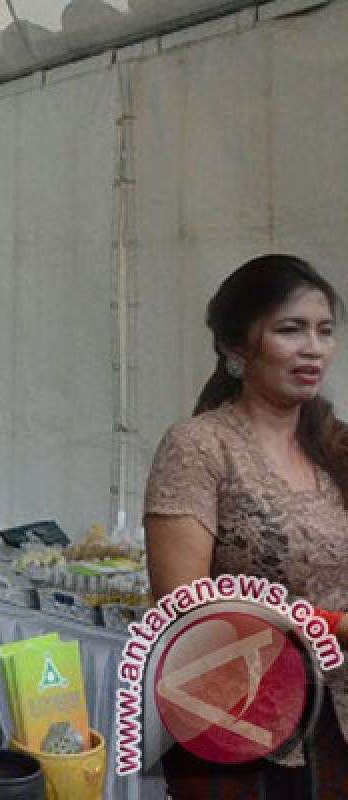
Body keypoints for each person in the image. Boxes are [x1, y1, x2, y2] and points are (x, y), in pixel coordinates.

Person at [144, 254, 348, 797]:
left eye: (324, 331)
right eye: (290, 329)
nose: (313, 347)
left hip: (336, 725)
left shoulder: (337, 447)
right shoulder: (199, 447)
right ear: (236, 346)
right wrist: (332, 626)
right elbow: (183, 603)